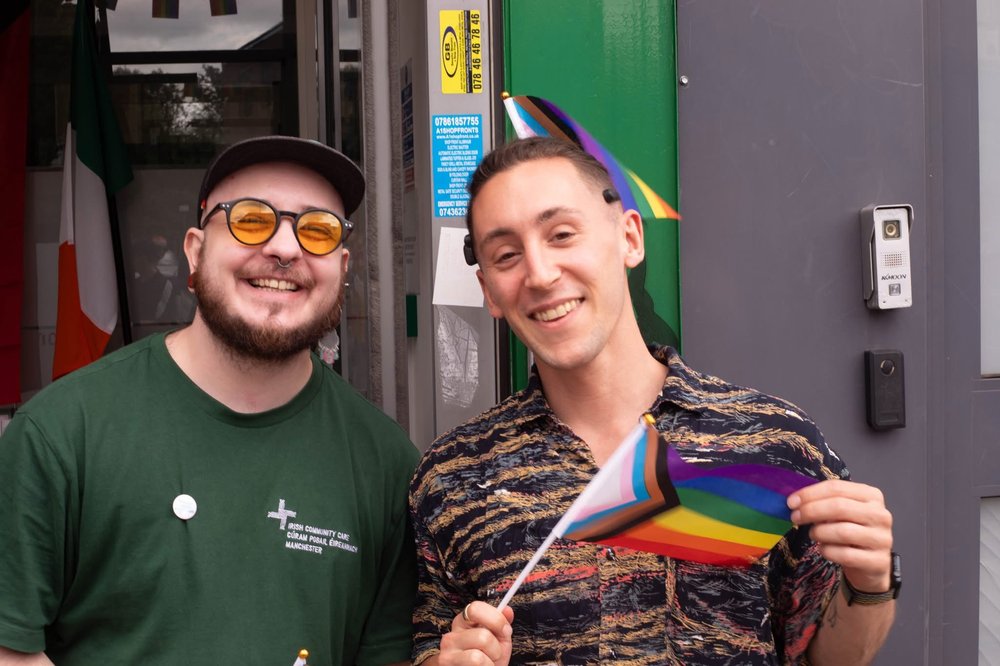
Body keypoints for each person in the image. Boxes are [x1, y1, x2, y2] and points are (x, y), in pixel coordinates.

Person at [409, 137, 897, 665]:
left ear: (629, 238)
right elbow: (426, 648)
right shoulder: (451, 479)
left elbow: (829, 658)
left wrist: (870, 581)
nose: (541, 274)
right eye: (507, 255)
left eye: (562, 234)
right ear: (489, 291)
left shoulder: (775, 443)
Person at [0, 136, 419, 666]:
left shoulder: (385, 462)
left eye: (316, 231)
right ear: (195, 251)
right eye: (250, 220)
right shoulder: (62, 433)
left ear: (342, 265)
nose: (286, 249)